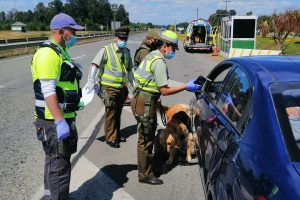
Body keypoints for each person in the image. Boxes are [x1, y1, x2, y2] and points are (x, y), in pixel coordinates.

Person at [130, 30, 201, 185]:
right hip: (146, 102)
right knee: (146, 141)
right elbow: (165, 90)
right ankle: (146, 175)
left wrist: (155, 97)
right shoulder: (159, 61)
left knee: (145, 138)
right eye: (173, 48)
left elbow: (149, 82)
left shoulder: (151, 55)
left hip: (142, 98)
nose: (173, 51)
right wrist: (185, 86)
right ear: (165, 46)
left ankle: (147, 169)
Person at [31, 13, 84, 199]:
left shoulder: (59, 50)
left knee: (54, 164)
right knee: (59, 169)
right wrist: (60, 120)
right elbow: (48, 90)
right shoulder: (48, 53)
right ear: (62, 31)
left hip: (58, 117)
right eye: (73, 31)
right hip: (53, 121)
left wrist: (75, 101)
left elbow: (63, 84)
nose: (75, 35)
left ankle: (50, 197)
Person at [85, 26, 135, 148]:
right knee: (111, 111)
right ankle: (110, 138)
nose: (123, 40)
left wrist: (134, 84)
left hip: (122, 88)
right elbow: (95, 65)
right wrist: (91, 81)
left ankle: (116, 134)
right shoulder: (106, 50)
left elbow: (129, 70)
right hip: (108, 87)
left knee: (118, 112)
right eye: (121, 38)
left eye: (125, 38)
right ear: (115, 38)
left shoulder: (127, 52)